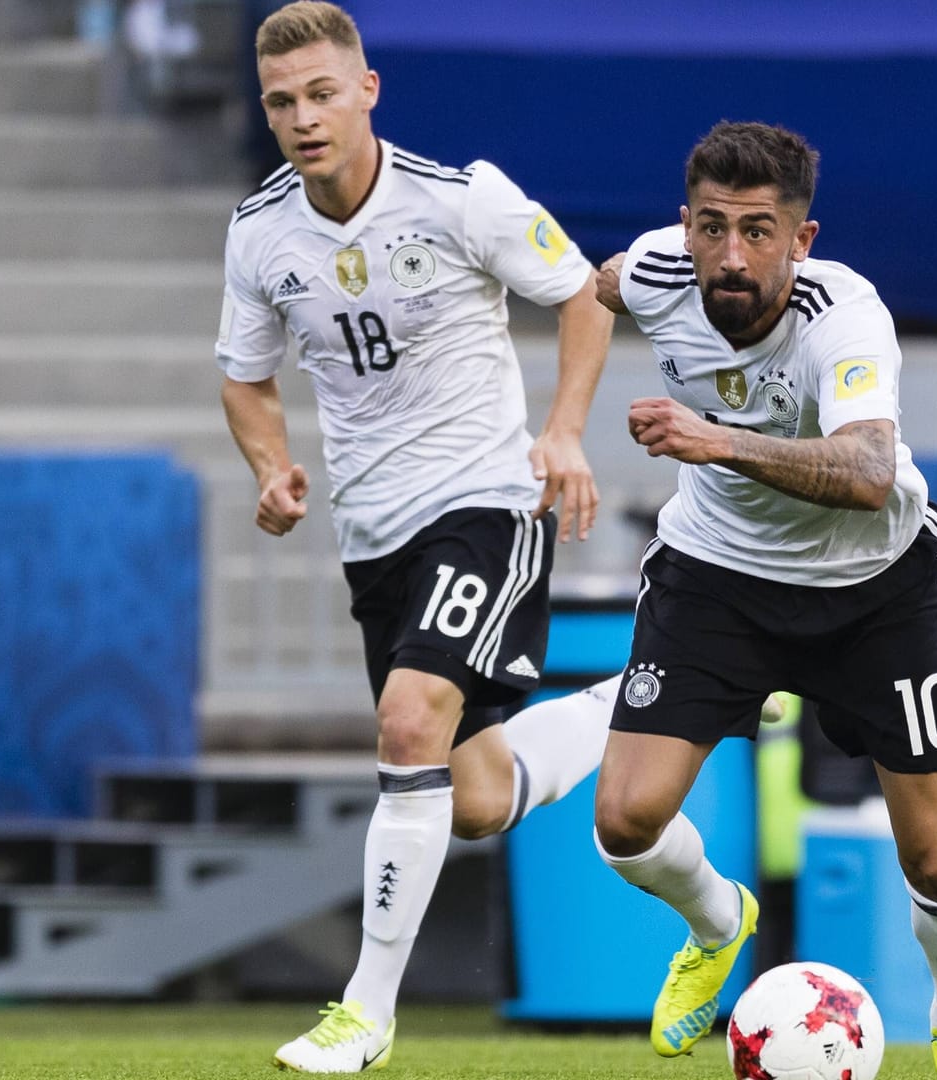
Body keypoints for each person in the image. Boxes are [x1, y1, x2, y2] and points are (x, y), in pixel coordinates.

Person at [216, 3, 618, 1070]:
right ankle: (651, 699)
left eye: (321, 94)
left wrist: (564, 432)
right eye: (281, 102)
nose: (303, 118)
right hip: (373, 538)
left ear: (368, 90)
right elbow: (244, 376)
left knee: (406, 724)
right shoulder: (260, 233)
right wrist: (272, 467)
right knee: (475, 797)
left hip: (483, 502)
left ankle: (366, 1013)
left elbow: (584, 294)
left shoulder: (459, 198)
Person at [591, 122, 937, 1080]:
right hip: (717, 578)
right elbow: (593, 287)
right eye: (711, 227)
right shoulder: (660, 271)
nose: (730, 256)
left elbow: (867, 471)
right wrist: (563, 429)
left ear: (802, 239)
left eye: (758, 231)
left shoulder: (845, 315)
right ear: (685, 227)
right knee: (624, 819)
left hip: (873, 587)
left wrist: (718, 440)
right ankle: (718, 921)